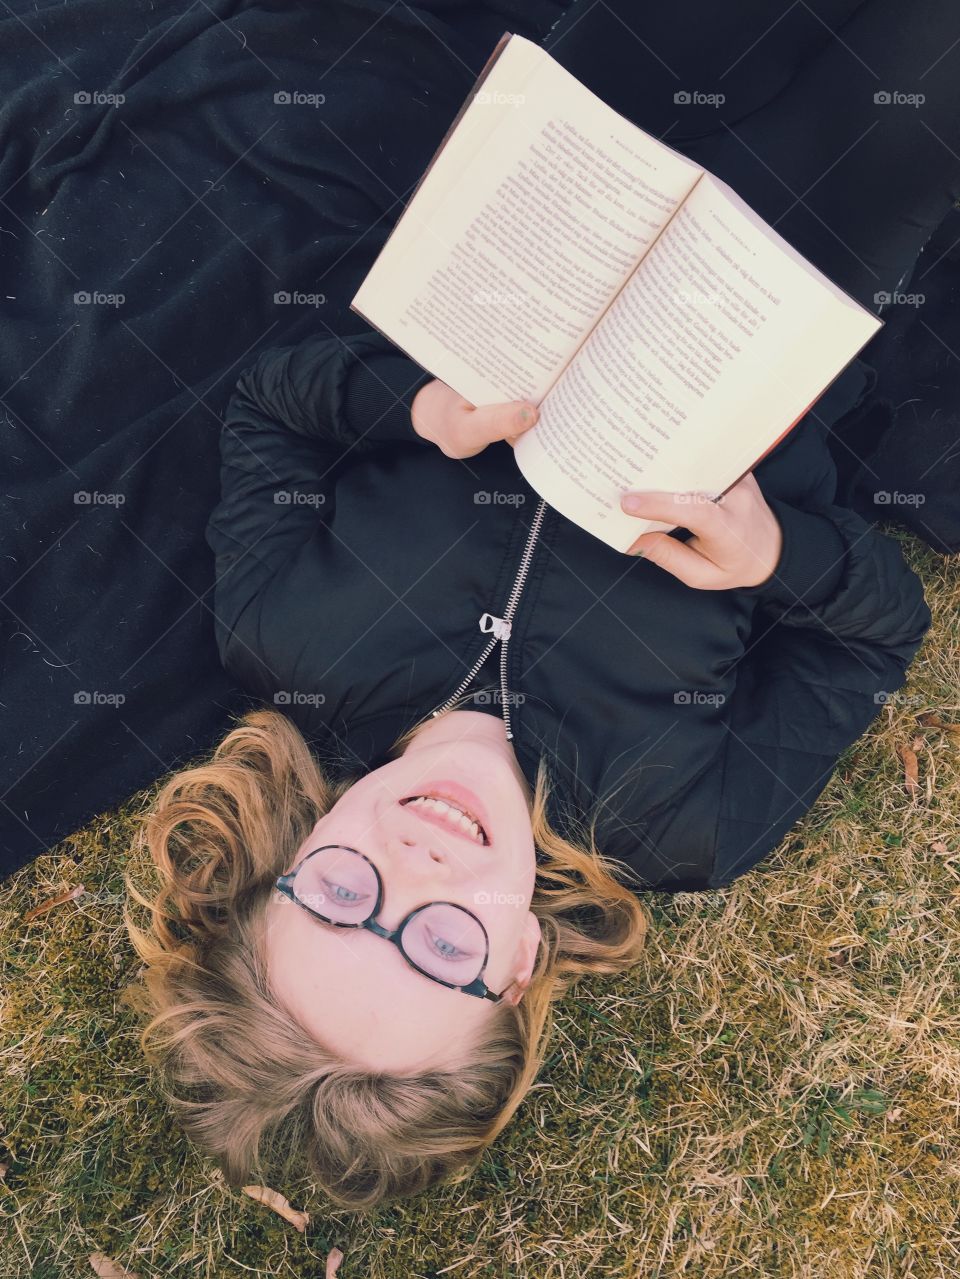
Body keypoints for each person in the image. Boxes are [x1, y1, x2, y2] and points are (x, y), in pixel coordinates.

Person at [125, 0, 954, 1211]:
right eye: (442, 947)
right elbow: (881, 635)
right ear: (515, 963)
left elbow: (270, 410)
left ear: (290, 858)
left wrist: (411, 412)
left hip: (570, 196)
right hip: (784, 285)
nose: (411, 871)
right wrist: (773, 557)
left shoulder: (282, 634)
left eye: (344, 899)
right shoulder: (684, 822)